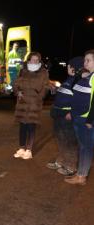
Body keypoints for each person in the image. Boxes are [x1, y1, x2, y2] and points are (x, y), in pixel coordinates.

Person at [46, 57, 84, 176]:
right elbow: (66, 94)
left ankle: (71, 166)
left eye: (69, 66)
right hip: (59, 115)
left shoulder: (78, 81)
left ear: (74, 68)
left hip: (66, 117)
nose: (67, 67)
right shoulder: (70, 79)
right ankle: (61, 161)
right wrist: (56, 89)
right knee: (60, 140)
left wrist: (71, 113)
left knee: (69, 142)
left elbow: (81, 101)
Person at [65, 49, 94, 185]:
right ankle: (80, 174)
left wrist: (90, 120)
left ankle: (82, 176)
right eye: (85, 60)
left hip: (86, 119)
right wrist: (77, 76)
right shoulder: (87, 76)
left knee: (86, 147)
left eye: (88, 60)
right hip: (78, 117)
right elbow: (74, 91)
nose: (85, 63)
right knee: (82, 146)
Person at [13, 52, 49, 160]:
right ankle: (21, 148)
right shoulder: (23, 70)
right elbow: (16, 84)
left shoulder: (43, 72)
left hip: (34, 103)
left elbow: (46, 86)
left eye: (37, 60)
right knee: (22, 126)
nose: (35, 61)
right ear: (28, 60)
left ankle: (29, 150)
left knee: (31, 126)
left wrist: (39, 97)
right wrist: (17, 91)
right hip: (22, 103)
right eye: (33, 59)